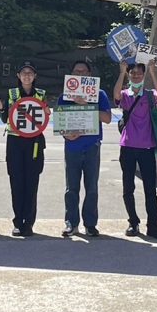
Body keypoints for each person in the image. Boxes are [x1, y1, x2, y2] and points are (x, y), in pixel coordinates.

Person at [114, 59, 157, 239]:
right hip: (127, 146)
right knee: (128, 187)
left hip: (147, 147)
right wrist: (121, 72)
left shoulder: (149, 95)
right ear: (129, 75)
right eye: (133, 73)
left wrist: (152, 71)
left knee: (150, 189)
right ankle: (133, 222)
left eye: (139, 73)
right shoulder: (125, 94)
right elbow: (116, 95)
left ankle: (153, 225)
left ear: (143, 75)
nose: (136, 75)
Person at [59, 59, 111, 238]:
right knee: (71, 188)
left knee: (92, 187)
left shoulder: (100, 94)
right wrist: (66, 135)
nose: (80, 74)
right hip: (72, 146)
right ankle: (71, 223)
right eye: (76, 72)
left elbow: (107, 118)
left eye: (83, 72)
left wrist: (86, 104)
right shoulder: (65, 95)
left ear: (89, 74)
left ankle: (90, 224)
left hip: (92, 146)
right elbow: (60, 122)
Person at [0, 60, 47, 237]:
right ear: (18, 76)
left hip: (34, 143)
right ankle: (18, 221)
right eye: (24, 73)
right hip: (15, 142)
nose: (27, 76)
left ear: (35, 76)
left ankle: (29, 223)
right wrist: (2, 109)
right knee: (16, 181)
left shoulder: (41, 94)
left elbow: (44, 116)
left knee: (32, 182)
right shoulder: (11, 93)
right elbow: (4, 117)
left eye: (30, 73)